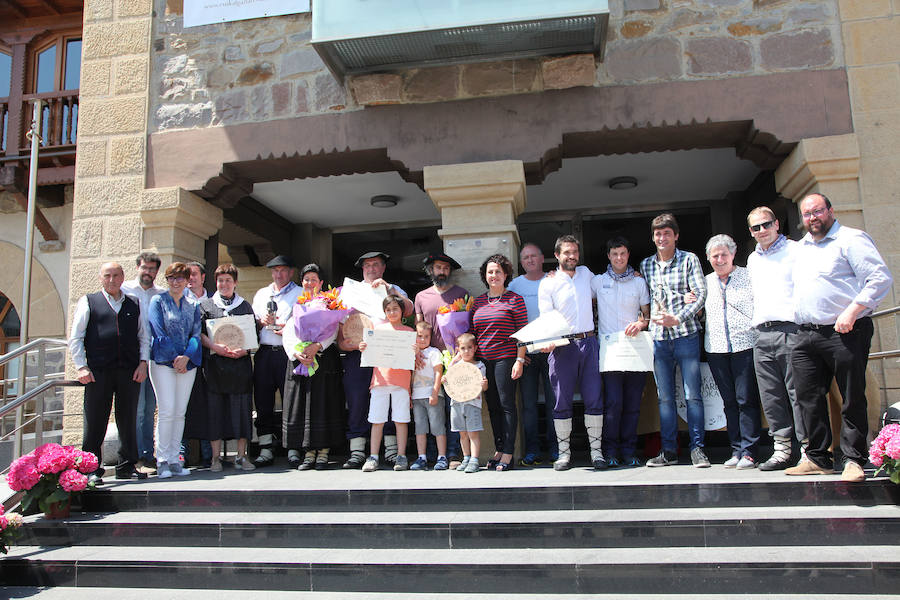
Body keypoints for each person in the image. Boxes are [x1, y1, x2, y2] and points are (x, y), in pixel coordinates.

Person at [786, 193, 893, 482]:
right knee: (808, 397)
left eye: (817, 212)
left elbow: (880, 278)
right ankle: (818, 457)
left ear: (830, 210)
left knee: (851, 396)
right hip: (807, 334)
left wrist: (853, 311)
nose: (812, 218)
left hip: (844, 330)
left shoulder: (851, 239)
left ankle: (854, 459)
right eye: (807, 214)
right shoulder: (802, 248)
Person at [69, 262, 150, 483]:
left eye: (116, 275)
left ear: (123, 277)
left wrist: (143, 363)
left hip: (129, 370)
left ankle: (127, 465)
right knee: (95, 420)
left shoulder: (135, 303)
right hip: (98, 371)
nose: (112, 279)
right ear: (101, 278)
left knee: (128, 419)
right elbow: (76, 338)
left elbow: (143, 336)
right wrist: (81, 366)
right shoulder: (89, 301)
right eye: (107, 275)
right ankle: (90, 468)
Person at [640, 213, 709, 468]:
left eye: (667, 233)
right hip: (659, 339)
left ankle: (698, 449)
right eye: (657, 234)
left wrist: (678, 318)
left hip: (686, 334)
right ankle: (668, 451)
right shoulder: (646, 265)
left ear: (676, 236)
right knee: (665, 398)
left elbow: (701, 294)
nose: (662, 238)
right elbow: (642, 295)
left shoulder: (689, 259)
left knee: (693, 395)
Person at [746, 206, 808, 470]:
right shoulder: (753, 259)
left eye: (766, 224)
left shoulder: (796, 251)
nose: (762, 230)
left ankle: (809, 450)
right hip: (761, 333)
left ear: (777, 224)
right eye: (755, 227)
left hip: (791, 330)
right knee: (770, 396)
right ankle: (782, 449)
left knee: (799, 394)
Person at [338, 251, 412, 469]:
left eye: (376, 265)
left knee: (391, 402)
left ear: (383, 268)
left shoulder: (394, 288)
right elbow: (340, 336)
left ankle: (391, 451)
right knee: (357, 399)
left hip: (389, 354)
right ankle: (358, 450)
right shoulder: (350, 292)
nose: (371, 269)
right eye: (367, 265)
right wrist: (350, 344)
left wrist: (389, 289)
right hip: (359, 353)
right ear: (362, 269)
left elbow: (409, 310)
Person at [538, 235, 604, 471]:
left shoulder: (587, 274)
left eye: (575, 251)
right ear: (557, 255)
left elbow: (606, 287)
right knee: (561, 400)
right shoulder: (548, 282)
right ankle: (564, 454)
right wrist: (548, 341)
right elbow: (546, 317)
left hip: (589, 342)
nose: (572, 256)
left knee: (594, 397)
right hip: (562, 346)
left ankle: (597, 453)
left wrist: (630, 275)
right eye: (567, 252)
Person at [590, 237, 650, 468]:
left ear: (628, 254)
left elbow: (646, 314)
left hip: (635, 349)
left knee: (633, 404)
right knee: (614, 403)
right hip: (610, 351)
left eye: (623, 254)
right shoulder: (597, 281)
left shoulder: (638, 283)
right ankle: (610, 450)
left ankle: (628, 450)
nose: (619, 258)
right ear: (608, 256)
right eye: (614, 254)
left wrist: (641, 324)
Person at [703, 234, 761, 469]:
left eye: (723, 255)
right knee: (728, 401)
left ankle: (750, 451)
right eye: (715, 256)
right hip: (716, 348)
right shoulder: (705, 281)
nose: (719, 259)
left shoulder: (748, 276)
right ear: (708, 258)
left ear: (733, 254)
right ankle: (736, 449)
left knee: (746, 399)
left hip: (744, 345)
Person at [282, 264, 347, 470]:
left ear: (320, 283)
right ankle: (308, 452)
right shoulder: (297, 304)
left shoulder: (330, 303)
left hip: (324, 359)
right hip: (302, 360)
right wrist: (296, 352)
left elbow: (334, 327)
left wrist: (317, 346)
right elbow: (288, 332)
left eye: (313, 279)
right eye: (306, 279)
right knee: (305, 406)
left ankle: (324, 452)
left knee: (324, 405)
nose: (310, 283)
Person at [471, 254, 527, 471]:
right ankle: (499, 448)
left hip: (506, 358)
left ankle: (509, 453)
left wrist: (519, 360)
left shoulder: (515, 299)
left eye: (498, 272)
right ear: (485, 276)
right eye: (490, 272)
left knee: (506, 406)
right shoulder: (478, 302)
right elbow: (473, 333)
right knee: (492, 407)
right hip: (484, 361)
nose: (494, 275)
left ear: (505, 275)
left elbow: (523, 333)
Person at [147, 262, 202, 479]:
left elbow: (196, 334)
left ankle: (174, 459)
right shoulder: (158, 300)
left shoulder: (193, 303)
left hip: (187, 363)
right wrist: (173, 358)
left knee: (180, 412)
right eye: (172, 278)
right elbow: (158, 332)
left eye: (180, 278)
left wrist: (186, 357)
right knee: (167, 410)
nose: (176, 282)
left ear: (187, 279)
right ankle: (161, 460)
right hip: (163, 362)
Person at [199, 263, 256, 472]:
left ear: (235, 283)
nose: (224, 284)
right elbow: (200, 333)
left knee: (242, 412)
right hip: (215, 367)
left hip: (239, 367)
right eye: (220, 280)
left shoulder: (244, 306)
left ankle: (241, 456)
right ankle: (215, 458)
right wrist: (214, 346)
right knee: (215, 412)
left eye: (228, 280)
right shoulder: (206, 306)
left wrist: (245, 350)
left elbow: (252, 336)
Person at [415, 252, 468, 468]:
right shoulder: (421, 297)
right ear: (431, 270)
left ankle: (453, 454)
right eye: (438, 268)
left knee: (453, 408)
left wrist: (458, 356)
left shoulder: (461, 294)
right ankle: (430, 455)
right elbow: (418, 328)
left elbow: (466, 329)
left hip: (454, 358)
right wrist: (416, 351)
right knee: (428, 407)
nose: (442, 271)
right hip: (427, 360)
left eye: (446, 268)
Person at [508, 242, 557, 466]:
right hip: (526, 352)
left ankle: (557, 449)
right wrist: (517, 353)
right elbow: (509, 321)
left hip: (552, 350)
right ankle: (532, 451)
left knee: (553, 402)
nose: (529, 260)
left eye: (533, 256)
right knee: (528, 405)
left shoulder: (553, 280)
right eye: (525, 257)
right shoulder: (514, 285)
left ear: (542, 258)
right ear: (521, 262)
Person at [251, 255, 299, 468]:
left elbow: (304, 325)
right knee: (263, 401)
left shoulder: (299, 293)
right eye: (275, 271)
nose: (279, 274)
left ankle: (293, 447)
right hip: (264, 352)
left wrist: (286, 328)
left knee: (291, 401)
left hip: (287, 352)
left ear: (290, 272)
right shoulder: (262, 294)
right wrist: (261, 323)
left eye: (283, 270)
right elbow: (251, 324)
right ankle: (265, 447)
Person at [121, 251, 164, 471]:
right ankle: (135, 454)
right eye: (145, 268)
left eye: (152, 269)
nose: (148, 272)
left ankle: (148, 454)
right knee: (136, 409)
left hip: (156, 357)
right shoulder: (124, 290)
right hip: (134, 358)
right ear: (138, 267)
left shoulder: (161, 293)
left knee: (150, 408)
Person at [361, 295, 415, 472]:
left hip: (401, 381)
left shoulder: (409, 332)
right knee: (377, 420)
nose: (392, 312)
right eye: (388, 309)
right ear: (384, 312)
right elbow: (369, 352)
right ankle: (373, 456)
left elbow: (414, 361)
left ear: (402, 311)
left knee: (401, 420)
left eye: (395, 309)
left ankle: (401, 456)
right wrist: (364, 346)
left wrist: (416, 351)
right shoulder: (377, 329)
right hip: (380, 380)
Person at [444, 332, 489, 473]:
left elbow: (484, 388)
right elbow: (447, 378)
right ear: (458, 350)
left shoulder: (480, 366)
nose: (466, 351)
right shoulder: (456, 366)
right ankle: (466, 457)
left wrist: (484, 384)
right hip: (457, 403)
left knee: (473, 433)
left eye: (469, 347)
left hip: (472, 404)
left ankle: (474, 460)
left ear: (475, 348)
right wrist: (455, 360)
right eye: (463, 348)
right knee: (462, 433)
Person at [182, 261, 212, 468]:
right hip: (186, 361)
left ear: (203, 277)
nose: (190, 278)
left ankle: (208, 452)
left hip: (211, 361)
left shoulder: (214, 301)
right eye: (187, 275)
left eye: (194, 274)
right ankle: (181, 451)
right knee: (183, 406)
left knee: (208, 406)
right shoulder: (178, 300)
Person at [409, 322, 447, 470]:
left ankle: (442, 456)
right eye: (419, 336)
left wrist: (435, 392)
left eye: (426, 336)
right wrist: (409, 393)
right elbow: (409, 374)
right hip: (417, 396)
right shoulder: (411, 353)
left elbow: (438, 372)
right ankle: (421, 457)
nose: (423, 339)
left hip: (432, 395)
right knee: (420, 428)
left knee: (437, 426)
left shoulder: (434, 352)